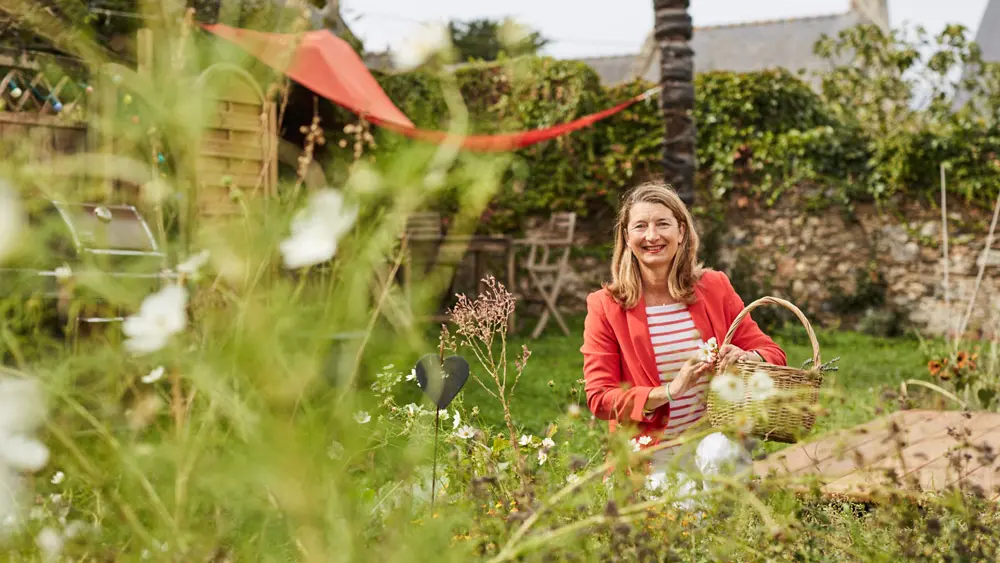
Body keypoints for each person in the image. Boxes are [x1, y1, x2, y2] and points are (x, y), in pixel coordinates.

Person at [580, 182, 786, 497]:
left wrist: (749, 357)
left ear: (681, 231)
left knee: (719, 453)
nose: (652, 236)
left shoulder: (715, 288)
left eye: (662, 224)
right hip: (648, 457)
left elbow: (772, 353)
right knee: (686, 510)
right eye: (640, 226)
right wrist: (669, 391)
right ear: (626, 236)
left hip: (714, 443)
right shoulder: (605, 307)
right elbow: (599, 398)